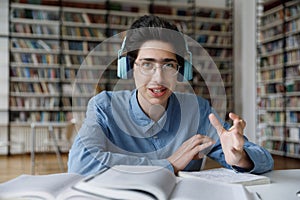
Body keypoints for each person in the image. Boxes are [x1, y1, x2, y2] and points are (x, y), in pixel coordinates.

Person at [68, 15, 273, 176]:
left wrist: (240, 157)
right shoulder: (104, 106)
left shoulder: (198, 111)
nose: (158, 78)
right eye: (147, 64)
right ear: (129, 67)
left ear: (182, 70)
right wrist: (169, 165)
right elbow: (81, 163)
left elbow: (265, 160)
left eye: (168, 65)